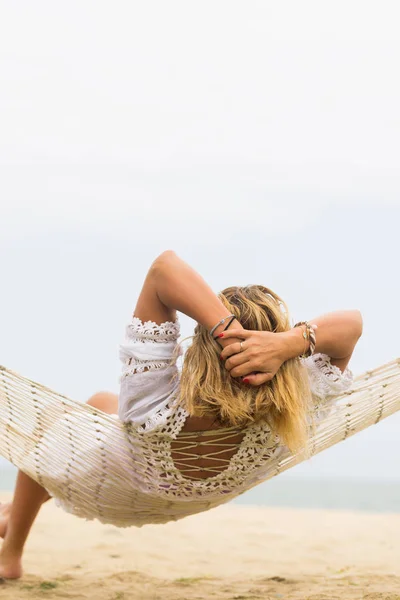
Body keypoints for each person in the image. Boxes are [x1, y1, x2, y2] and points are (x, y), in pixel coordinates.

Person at [0, 251, 362, 579]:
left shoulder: (150, 408)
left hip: (120, 478)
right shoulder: (298, 410)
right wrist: (288, 344)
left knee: (56, 425)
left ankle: (10, 552)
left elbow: (164, 269)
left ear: (202, 349)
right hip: (177, 492)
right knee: (98, 403)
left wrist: (224, 329)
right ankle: (15, 512)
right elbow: (352, 323)